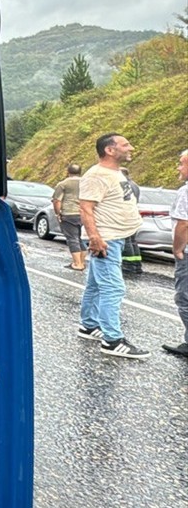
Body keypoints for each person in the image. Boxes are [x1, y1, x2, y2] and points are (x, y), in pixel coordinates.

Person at [76, 133, 148, 358]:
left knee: (96, 286)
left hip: (116, 236)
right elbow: (85, 208)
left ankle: (88, 325)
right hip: (106, 240)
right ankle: (112, 340)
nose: (131, 148)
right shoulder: (96, 175)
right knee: (113, 288)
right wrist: (95, 237)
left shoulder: (113, 173)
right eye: (126, 144)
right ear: (109, 150)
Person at [162, 149, 188, 357]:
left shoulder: (186, 192)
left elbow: (183, 224)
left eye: (181, 164)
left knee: (184, 297)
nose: (178, 168)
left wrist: (177, 248)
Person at [51, 163, 85, 270]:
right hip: (83, 213)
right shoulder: (86, 183)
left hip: (69, 213)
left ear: (68, 172)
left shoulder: (63, 184)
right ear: (80, 172)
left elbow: (57, 200)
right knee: (79, 238)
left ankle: (77, 264)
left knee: (72, 238)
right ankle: (82, 262)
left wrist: (58, 213)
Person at [119, 167, 143, 274]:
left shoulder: (125, 185)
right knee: (133, 241)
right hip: (134, 215)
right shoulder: (135, 185)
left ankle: (128, 265)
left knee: (127, 240)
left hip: (126, 215)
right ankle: (137, 265)